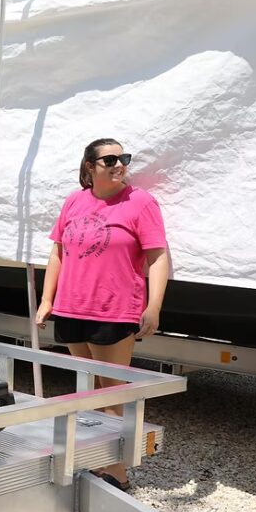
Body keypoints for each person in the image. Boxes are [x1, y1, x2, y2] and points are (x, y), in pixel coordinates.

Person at [34, 138, 169, 491]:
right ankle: (97, 463)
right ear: (89, 167)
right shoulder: (74, 201)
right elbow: (57, 254)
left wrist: (153, 306)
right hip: (71, 308)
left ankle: (117, 473)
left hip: (115, 310)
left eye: (123, 158)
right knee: (89, 392)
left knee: (112, 392)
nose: (118, 164)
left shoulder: (140, 203)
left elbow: (157, 257)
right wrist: (47, 299)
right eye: (109, 159)